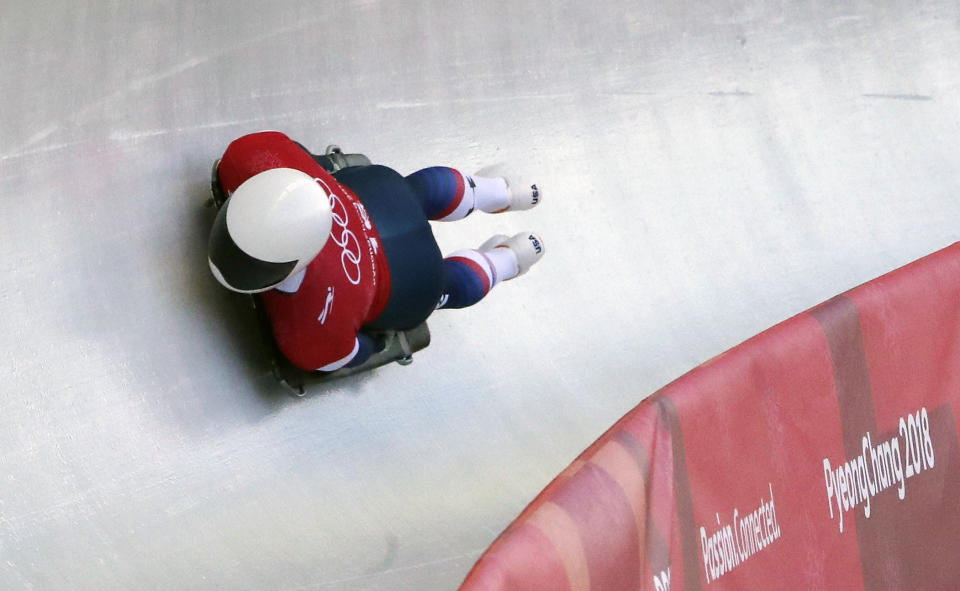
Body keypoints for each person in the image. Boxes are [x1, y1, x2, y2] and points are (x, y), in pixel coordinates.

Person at [208, 131, 544, 372]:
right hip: (378, 194)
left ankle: (506, 260)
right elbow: (302, 154)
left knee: (442, 288)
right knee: (419, 191)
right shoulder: (252, 153)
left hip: (407, 281)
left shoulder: (309, 336)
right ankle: (498, 194)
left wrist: (377, 340)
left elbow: (355, 352)